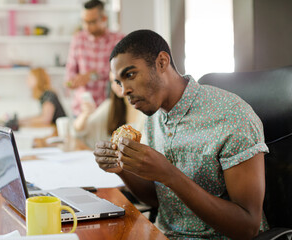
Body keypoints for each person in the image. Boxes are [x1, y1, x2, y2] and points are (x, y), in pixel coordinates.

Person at [93, 29, 269, 239]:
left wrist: (169, 174)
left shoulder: (232, 115)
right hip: (163, 234)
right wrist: (121, 169)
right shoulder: (152, 118)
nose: (124, 91)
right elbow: (158, 200)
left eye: (130, 75)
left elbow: (247, 227)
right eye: (119, 82)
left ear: (161, 62)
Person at [65, 0, 124, 116]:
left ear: (104, 19)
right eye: (84, 22)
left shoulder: (118, 40)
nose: (86, 27)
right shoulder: (77, 39)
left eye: (91, 22)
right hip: (81, 110)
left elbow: (120, 73)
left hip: (109, 110)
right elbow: (69, 72)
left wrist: (91, 76)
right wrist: (71, 82)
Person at [72, 75, 146, 149]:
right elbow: (78, 130)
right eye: (112, 81)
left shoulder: (146, 111)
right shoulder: (110, 106)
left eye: (118, 80)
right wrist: (85, 114)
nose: (116, 85)